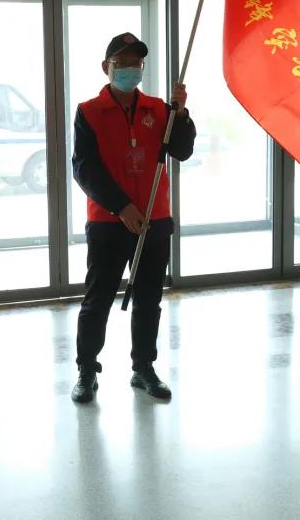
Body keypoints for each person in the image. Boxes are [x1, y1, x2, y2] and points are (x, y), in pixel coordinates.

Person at [71, 32, 196, 403]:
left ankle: (143, 368)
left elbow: (182, 151)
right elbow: (84, 168)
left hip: (154, 220)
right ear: (106, 67)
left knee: (148, 300)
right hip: (109, 222)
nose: (129, 69)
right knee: (98, 300)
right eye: (121, 63)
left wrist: (181, 114)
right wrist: (121, 206)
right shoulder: (89, 112)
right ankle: (86, 370)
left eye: (135, 63)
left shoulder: (159, 109)